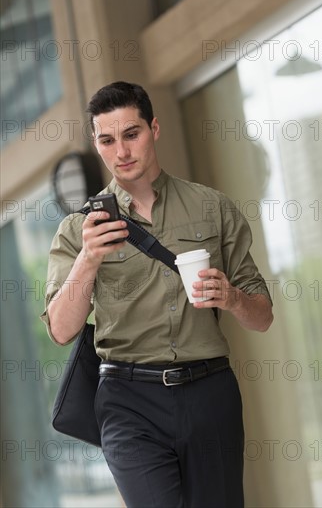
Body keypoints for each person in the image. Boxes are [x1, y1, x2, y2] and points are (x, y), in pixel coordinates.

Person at [41, 81, 273, 508]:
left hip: (210, 391)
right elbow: (60, 329)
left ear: (155, 129)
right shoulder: (78, 231)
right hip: (128, 402)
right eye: (107, 140)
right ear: (96, 144)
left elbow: (262, 316)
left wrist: (233, 298)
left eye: (132, 134)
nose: (121, 151)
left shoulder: (213, 208)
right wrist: (88, 260)